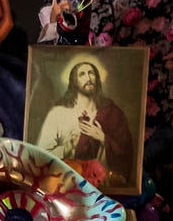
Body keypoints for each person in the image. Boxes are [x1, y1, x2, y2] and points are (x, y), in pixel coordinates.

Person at [36, 59, 134, 187]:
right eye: (82, 74)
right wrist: (67, 148)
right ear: (74, 81)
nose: (88, 78)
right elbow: (39, 156)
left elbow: (126, 153)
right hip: (66, 185)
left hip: (103, 187)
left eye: (91, 73)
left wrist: (103, 138)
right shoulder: (58, 113)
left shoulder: (112, 112)